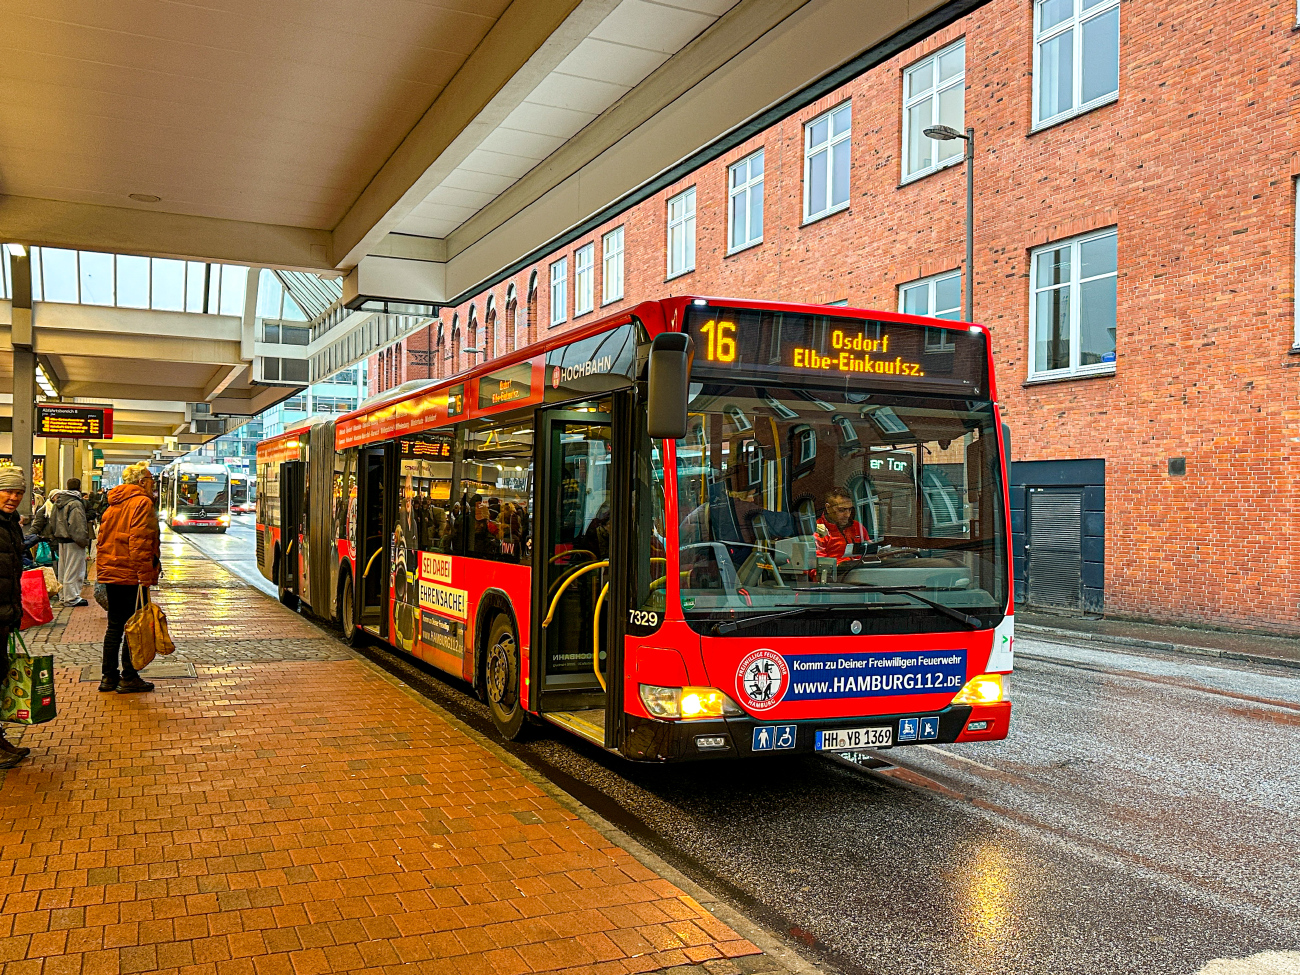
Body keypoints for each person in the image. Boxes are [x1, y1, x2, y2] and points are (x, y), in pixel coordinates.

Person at [95, 463, 161, 694]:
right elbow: (139, 543)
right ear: (141, 482)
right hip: (131, 573)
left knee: (115, 626)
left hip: (112, 572)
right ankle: (129, 677)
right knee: (134, 626)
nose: (153, 483)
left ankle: (108, 677)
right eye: (150, 479)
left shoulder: (114, 504)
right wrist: (145, 576)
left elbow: (102, 540)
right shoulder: (142, 503)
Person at [0, 467, 32, 767]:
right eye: (8, 491)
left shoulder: (10, 523)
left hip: (5, 612)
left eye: (19, 492)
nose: (13, 497)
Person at [32, 477, 91, 608]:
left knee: (63, 569)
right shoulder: (75, 503)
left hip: (61, 539)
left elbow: (52, 521)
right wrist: (83, 541)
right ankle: (72, 597)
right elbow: (77, 525)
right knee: (74, 569)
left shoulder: (58, 501)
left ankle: (64, 595)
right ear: (79, 487)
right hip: (73, 540)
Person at [815, 487, 870, 561]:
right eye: (841, 510)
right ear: (828, 508)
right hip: (837, 568)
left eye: (850, 509)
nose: (847, 515)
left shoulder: (857, 527)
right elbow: (819, 564)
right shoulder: (818, 531)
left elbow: (870, 553)